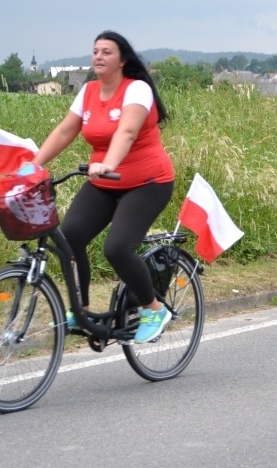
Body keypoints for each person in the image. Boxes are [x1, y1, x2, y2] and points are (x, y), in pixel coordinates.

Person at [29, 30, 175, 343]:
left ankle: (153, 309)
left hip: (148, 182)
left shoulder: (137, 90)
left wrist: (108, 163)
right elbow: (65, 131)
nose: (98, 56)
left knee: (117, 248)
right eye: (95, 51)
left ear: (122, 60)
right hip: (104, 182)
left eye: (107, 52)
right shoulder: (89, 91)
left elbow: (128, 131)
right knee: (69, 237)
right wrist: (34, 164)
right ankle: (79, 310)